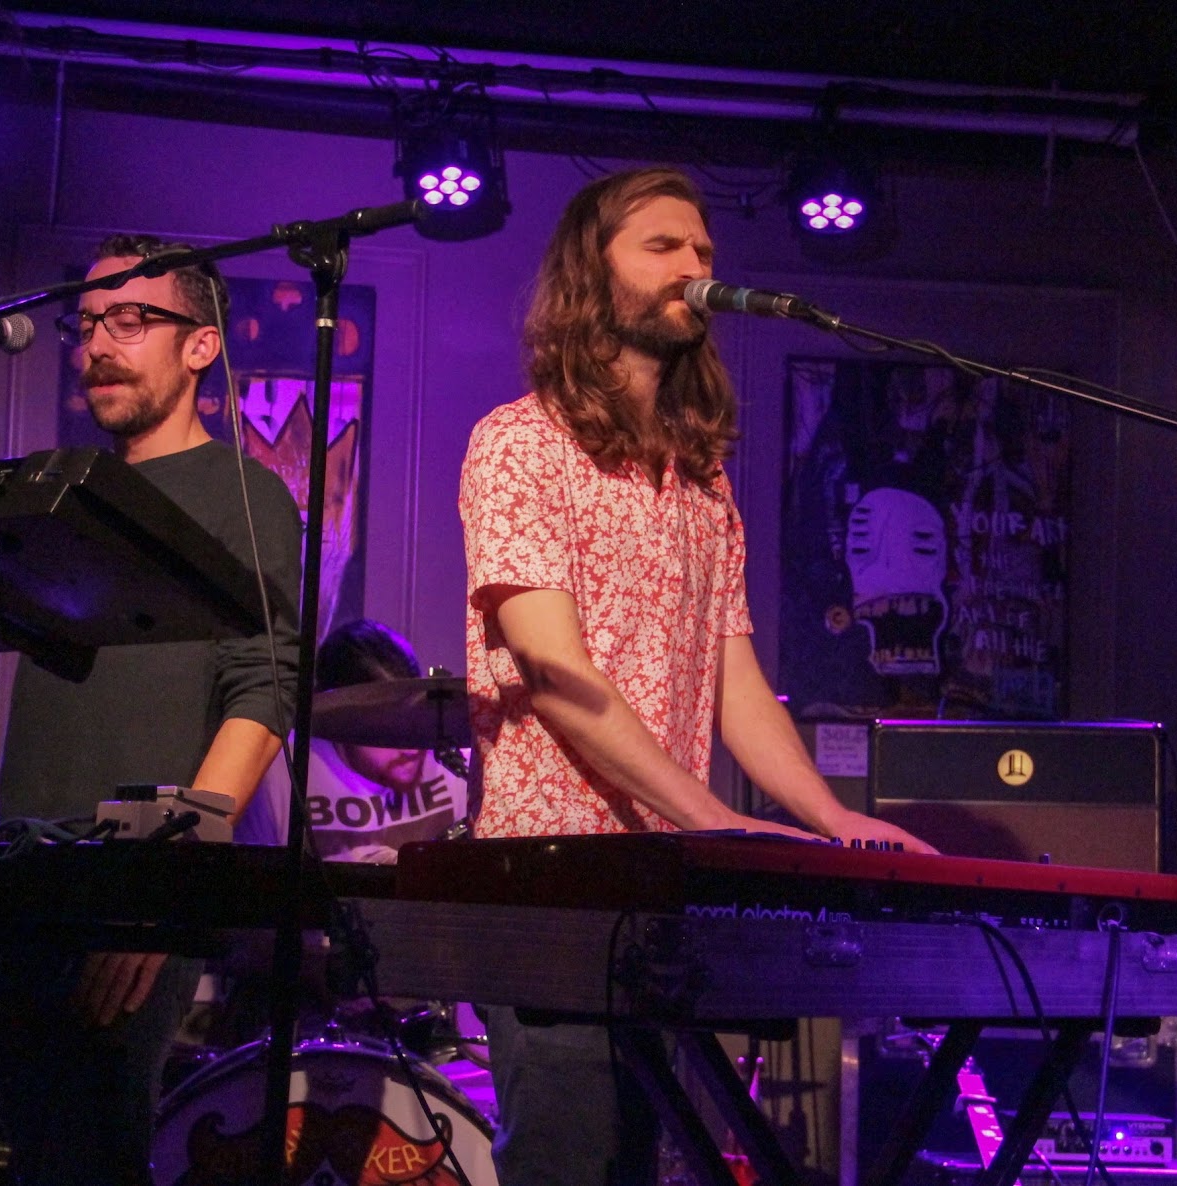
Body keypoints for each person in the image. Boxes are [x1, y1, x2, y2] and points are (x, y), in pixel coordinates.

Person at [458, 166, 938, 1186]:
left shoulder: (699, 476)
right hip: (551, 883)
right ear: (593, 272)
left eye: (704, 250)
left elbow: (737, 682)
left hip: (663, 885)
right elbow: (554, 670)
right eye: (663, 246)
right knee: (569, 1161)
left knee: (639, 1161)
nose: (694, 264)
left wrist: (830, 823)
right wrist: (717, 822)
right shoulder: (517, 445)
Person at [0, 234, 302, 1185]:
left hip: (135, 879)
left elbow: (262, 688)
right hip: (18, 874)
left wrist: (162, 889)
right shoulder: (57, 492)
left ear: (200, 346)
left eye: (128, 320)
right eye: (85, 325)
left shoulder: (244, 494)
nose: (96, 346)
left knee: (92, 1149)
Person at [238, 617, 470, 864]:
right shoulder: (283, 771)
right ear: (341, 719)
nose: (412, 748)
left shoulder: (455, 759)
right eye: (389, 725)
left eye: (415, 717)